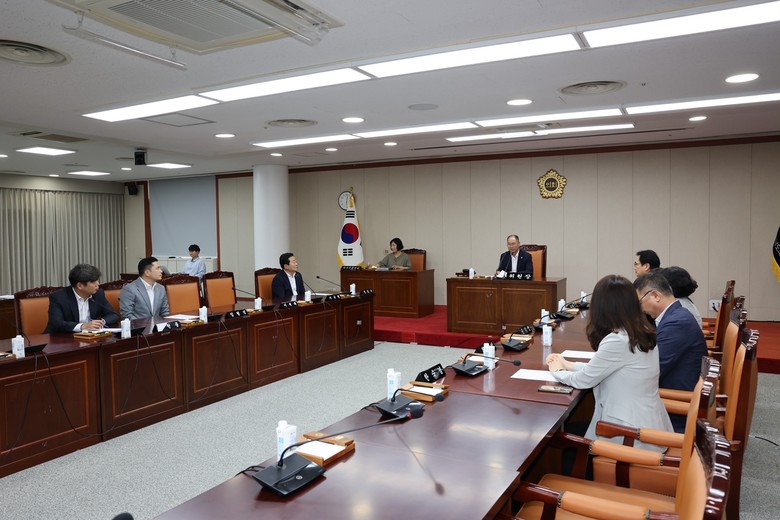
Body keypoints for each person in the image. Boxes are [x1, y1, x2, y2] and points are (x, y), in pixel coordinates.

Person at [546, 274, 672, 451]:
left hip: (628, 435)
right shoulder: (641, 331)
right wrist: (569, 365)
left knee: (559, 443)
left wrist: (557, 371)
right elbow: (605, 368)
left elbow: (584, 380)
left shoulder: (617, 340)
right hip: (648, 425)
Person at [634, 271, 708, 433]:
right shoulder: (676, 315)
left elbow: (653, 370)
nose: (641, 309)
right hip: (672, 397)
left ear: (655, 296)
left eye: (639, 302)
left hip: (675, 413)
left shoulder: (676, 323)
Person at [45, 264, 119, 333]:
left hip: (90, 337)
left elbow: (113, 315)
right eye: (93, 282)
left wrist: (100, 322)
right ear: (80, 286)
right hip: (61, 338)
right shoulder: (59, 297)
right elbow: (57, 323)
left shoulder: (98, 294)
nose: (98, 284)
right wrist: (83, 326)